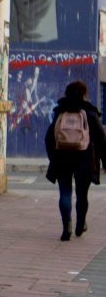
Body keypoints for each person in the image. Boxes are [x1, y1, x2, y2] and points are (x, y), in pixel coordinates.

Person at [45, 80, 106, 241]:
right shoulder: (90, 113)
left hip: (62, 158)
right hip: (84, 160)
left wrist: (53, 157)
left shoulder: (60, 112)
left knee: (65, 192)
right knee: (82, 194)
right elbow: (101, 139)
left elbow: (49, 137)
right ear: (84, 94)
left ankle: (67, 227)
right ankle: (80, 224)